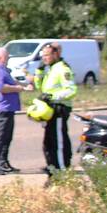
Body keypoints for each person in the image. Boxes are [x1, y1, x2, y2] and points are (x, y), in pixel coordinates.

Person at [31, 41, 77, 178]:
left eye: (47, 55)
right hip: (49, 109)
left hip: (59, 109)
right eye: (42, 56)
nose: (44, 58)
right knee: (49, 141)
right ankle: (52, 166)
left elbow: (71, 90)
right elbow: (39, 87)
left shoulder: (63, 69)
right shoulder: (50, 69)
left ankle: (61, 171)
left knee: (58, 141)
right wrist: (39, 71)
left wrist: (53, 97)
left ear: (56, 54)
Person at [0, 47, 32, 175]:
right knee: (0, 137)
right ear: (0, 57)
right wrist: (18, 89)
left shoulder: (3, 69)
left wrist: (24, 85)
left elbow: (11, 82)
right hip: (1, 108)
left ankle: (3, 163)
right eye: (6, 57)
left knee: (7, 137)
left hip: (8, 108)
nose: (8, 59)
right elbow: (0, 87)